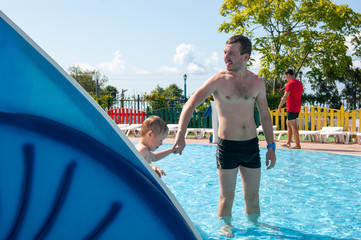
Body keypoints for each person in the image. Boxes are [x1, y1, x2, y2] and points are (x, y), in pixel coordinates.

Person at [172, 35, 276, 237]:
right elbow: (190, 104)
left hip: (251, 146)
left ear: (245, 57)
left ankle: (254, 232)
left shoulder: (257, 82)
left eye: (231, 53)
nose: (226, 57)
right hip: (227, 147)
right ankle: (225, 232)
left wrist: (271, 146)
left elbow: (265, 114)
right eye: (225, 53)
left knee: (253, 197)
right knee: (226, 198)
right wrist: (180, 135)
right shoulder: (218, 81)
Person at [278, 69, 303, 149]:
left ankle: (297, 145)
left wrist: (280, 106)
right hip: (296, 107)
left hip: (291, 107)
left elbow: (285, 96)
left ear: (288, 75)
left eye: (285, 76)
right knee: (288, 124)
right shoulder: (299, 83)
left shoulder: (290, 84)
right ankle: (288, 142)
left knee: (294, 126)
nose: (285, 78)